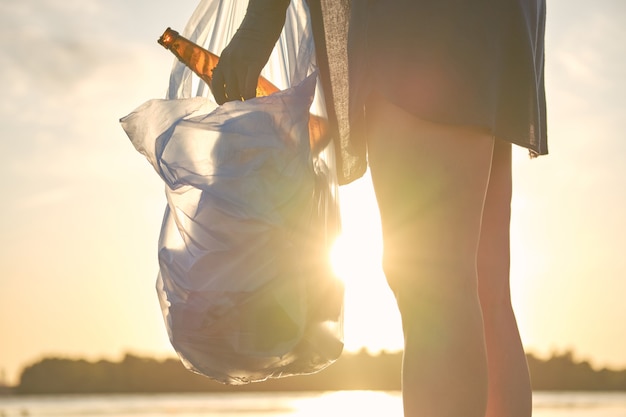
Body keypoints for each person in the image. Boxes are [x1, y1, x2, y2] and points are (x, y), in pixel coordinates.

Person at [211, 1, 547, 416]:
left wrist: (261, 21)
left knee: (433, 282)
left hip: (417, 19)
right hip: (499, 16)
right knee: (483, 288)